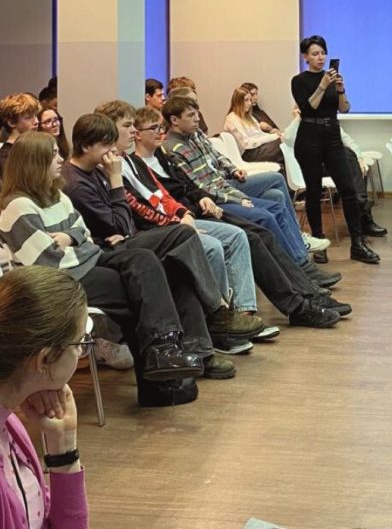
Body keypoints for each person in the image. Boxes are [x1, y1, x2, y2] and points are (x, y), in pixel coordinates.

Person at [0, 132, 205, 408]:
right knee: (140, 292)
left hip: (87, 261)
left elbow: (83, 232)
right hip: (57, 282)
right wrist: (78, 241)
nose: (60, 159)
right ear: (35, 161)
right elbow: (48, 260)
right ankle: (160, 375)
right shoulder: (17, 206)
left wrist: (70, 238)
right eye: (53, 154)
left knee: (143, 260)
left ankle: (163, 354)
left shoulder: (56, 195)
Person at [61, 114, 241, 380]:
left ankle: (202, 352)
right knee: (181, 236)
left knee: (178, 266)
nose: (112, 151)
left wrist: (120, 219)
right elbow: (120, 224)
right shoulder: (77, 184)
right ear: (86, 146)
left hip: (123, 241)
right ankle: (216, 311)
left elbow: (123, 222)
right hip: (107, 251)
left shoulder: (97, 170)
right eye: (106, 145)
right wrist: (115, 180)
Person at [131, 108, 345, 328]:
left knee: (261, 234)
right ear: (137, 134)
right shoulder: (141, 163)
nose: (160, 132)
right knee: (252, 232)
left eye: (160, 127)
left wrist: (202, 198)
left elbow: (186, 187)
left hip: (202, 207)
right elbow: (156, 203)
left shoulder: (161, 157)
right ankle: (293, 305)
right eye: (153, 128)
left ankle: (306, 293)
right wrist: (189, 211)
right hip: (188, 218)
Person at [94, 100, 268, 348]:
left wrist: (183, 213)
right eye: (127, 126)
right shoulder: (112, 169)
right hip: (156, 230)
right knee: (212, 246)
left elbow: (163, 193)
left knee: (238, 235)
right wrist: (177, 221)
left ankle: (242, 312)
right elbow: (137, 210)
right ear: (110, 130)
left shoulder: (132, 162)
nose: (133, 131)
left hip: (177, 219)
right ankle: (218, 324)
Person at [162, 94, 324, 266]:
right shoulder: (173, 148)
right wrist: (239, 198)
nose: (197, 119)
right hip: (217, 196)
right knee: (274, 188)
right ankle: (299, 259)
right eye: (191, 115)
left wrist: (233, 170)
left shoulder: (194, 135)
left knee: (276, 195)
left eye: (197, 113)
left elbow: (217, 156)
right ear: (174, 120)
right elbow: (199, 187)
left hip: (224, 184)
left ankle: (299, 255)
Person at [0, 266, 89, 528]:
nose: (81, 352)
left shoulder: (10, 423)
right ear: (45, 359)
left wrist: (63, 446)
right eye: (79, 343)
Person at [291, 36, 379, 264]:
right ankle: (319, 243)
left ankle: (358, 244)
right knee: (314, 190)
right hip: (309, 138)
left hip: (332, 137)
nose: (320, 58)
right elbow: (308, 108)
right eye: (315, 54)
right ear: (305, 57)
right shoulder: (299, 81)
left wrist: (340, 90)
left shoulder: (331, 79)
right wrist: (322, 86)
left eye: (323, 53)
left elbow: (345, 108)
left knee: (348, 189)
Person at [283, 110, 387, 238]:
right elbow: (287, 139)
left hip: (331, 164)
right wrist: (298, 118)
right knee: (349, 160)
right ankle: (363, 212)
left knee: (354, 162)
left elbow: (347, 140)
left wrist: (360, 157)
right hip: (312, 167)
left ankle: (361, 206)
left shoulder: (327, 121)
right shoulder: (301, 125)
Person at [224, 86, 284, 164]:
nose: (249, 103)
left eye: (250, 100)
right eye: (246, 100)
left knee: (286, 141)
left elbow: (260, 134)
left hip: (259, 148)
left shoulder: (249, 117)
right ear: (238, 102)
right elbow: (246, 144)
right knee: (282, 145)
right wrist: (273, 137)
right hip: (248, 154)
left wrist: (278, 135)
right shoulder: (232, 119)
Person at [0, 94, 40, 178]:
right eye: (28, 117)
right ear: (11, 122)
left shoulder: (32, 148)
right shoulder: (6, 156)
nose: (36, 121)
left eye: (36, 115)